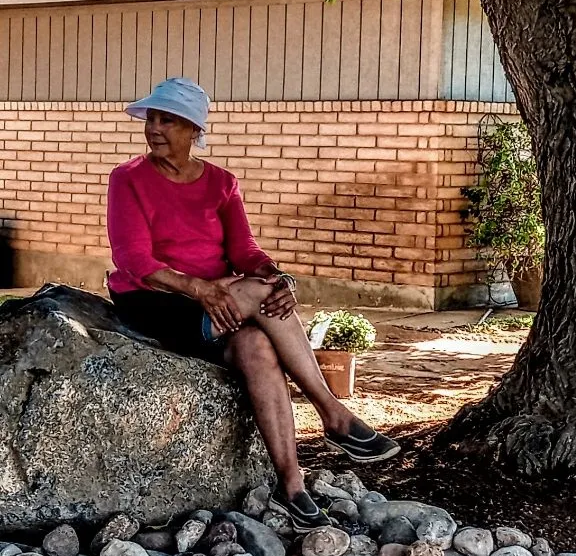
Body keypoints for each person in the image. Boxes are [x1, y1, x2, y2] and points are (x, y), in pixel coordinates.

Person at [106, 77, 399, 532]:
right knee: (259, 294)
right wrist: (203, 288)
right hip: (154, 303)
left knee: (257, 349)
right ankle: (332, 412)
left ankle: (291, 484)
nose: (154, 128)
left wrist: (276, 277)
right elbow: (134, 259)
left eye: (168, 120)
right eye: (152, 118)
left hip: (220, 306)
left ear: (193, 129)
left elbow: (245, 252)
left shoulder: (221, 183)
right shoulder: (128, 179)